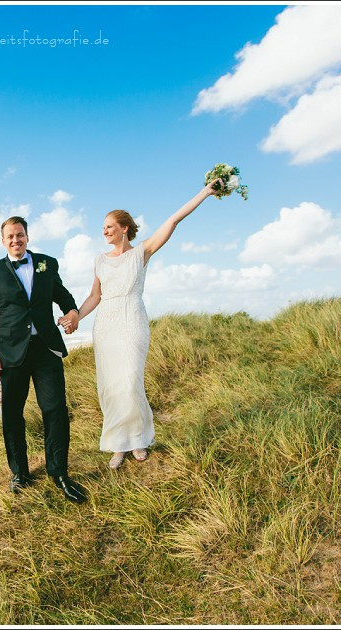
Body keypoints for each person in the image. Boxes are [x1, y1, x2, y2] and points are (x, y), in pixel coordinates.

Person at [62, 181, 222, 469]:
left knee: (130, 381)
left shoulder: (142, 253)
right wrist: (76, 315)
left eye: (110, 226)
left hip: (133, 320)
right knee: (110, 386)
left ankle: (138, 439)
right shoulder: (99, 260)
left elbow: (173, 220)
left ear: (125, 228)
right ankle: (117, 445)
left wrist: (206, 192)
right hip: (106, 325)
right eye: (103, 227)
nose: (105, 231)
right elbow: (94, 296)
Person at [0, 216, 87, 502]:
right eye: (10, 237)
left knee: (55, 410)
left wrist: (73, 311)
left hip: (45, 349)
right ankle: (20, 472)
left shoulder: (46, 263)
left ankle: (59, 472)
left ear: (27, 236)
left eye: (20, 235)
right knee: (12, 415)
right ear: (3, 241)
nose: (16, 240)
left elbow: (62, 295)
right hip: (10, 353)